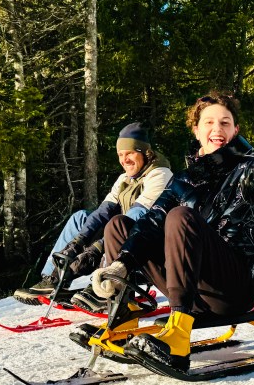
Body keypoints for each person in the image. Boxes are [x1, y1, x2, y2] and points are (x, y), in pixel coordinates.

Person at [88, 93, 254, 371]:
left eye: (225, 123)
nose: (217, 129)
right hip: (195, 290)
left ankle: (178, 337)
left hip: (238, 290)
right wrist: (122, 264)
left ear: (235, 130)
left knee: (181, 217)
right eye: (210, 122)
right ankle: (123, 323)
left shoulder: (245, 170)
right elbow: (152, 222)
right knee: (119, 227)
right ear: (196, 129)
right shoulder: (181, 181)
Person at [13, 122, 173, 306]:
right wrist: (78, 242)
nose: (124, 160)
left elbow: (137, 216)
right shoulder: (124, 179)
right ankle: (54, 278)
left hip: (147, 242)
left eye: (130, 153)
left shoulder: (160, 174)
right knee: (80, 217)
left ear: (145, 153)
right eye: (120, 155)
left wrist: (96, 248)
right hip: (122, 231)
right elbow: (103, 211)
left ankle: (103, 287)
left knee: (118, 223)